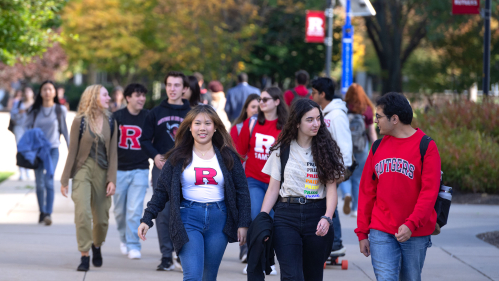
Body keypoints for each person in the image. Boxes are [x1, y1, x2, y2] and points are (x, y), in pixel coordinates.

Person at [138, 105, 251, 281]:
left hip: (219, 220)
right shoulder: (177, 157)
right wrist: (147, 218)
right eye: (197, 123)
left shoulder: (227, 155)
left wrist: (243, 223)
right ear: (190, 127)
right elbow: (161, 191)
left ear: (215, 127)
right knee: (192, 276)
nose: (202, 128)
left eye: (207, 123)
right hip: (188, 219)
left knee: (208, 277)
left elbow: (242, 191)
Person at [355, 92, 441, 281]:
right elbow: (366, 192)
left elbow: (429, 193)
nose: (375, 121)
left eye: (379, 117)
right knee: (385, 278)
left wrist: (411, 224)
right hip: (381, 228)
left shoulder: (426, 146)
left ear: (394, 119)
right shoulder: (377, 147)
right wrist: (362, 232)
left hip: (415, 231)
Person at [259, 98, 344, 280]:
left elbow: (331, 190)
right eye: (310, 120)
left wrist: (328, 217)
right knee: (292, 275)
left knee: (313, 275)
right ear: (297, 122)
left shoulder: (326, 150)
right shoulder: (281, 150)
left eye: (318, 119)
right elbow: (273, 189)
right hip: (286, 216)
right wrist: (263, 219)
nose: (316, 124)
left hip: (317, 216)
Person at [60, 84, 118, 272]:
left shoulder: (111, 121)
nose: (108, 98)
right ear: (93, 97)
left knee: (101, 219)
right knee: (83, 213)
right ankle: (84, 254)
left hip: (102, 172)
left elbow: (114, 153)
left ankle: (97, 244)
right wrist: (64, 179)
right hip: (82, 170)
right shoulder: (80, 121)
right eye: (105, 95)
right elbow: (72, 151)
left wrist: (112, 179)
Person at [140, 71, 192, 271]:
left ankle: (183, 254)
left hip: (187, 168)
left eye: (177, 85)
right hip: (162, 168)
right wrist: (155, 156)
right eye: (169, 84)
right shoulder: (155, 112)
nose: (172, 89)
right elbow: (144, 139)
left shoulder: (193, 113)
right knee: (162, 211)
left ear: (184, 89)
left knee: (185, 211)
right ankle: (166, 256)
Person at [236, 86, 288, 274]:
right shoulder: (251, 123)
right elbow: (240, 153)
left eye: (266, 99)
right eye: (260, 99)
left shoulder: (285, 127)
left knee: (272, 222)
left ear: (277, 101)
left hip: (276, 182)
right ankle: (254, 260)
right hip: (254, 179)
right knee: (257, 217)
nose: (261, 102)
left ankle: (269, 260)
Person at [311, 77, 353, 256]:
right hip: (325, 166)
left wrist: (339, 171)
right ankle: (331, 242)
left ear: (322, 94)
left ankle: (336, 244)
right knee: (327, 203)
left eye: (313, 92)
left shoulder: (336, 115)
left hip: (335, 168)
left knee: (330, 203)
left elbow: (345, 145)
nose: (311, 96)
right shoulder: (325, 113)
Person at [112, 83, 150, 259]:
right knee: (120, 212)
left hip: (140, 169)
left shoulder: (148, 117)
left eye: (143, 95)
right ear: (128, 97)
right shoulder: (116, 116)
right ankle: (124, 239)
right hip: (119, 170)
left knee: (134, 210)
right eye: (137, 95)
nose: (141, 98)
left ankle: (134, 245)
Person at [24, 81, 69, 226]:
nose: (48, 92)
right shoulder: (34, 110)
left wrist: (71, 150)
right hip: (37, 151)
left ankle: (48, 213)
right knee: (39, 183)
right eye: (45, 89)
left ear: (55, 92)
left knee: (49, 181)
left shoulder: (59, 110)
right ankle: (42, 211)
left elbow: (64, 130)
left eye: (50, 89)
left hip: (53, 150)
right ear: (41, 93)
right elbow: (26, 129)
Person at [342, 83, 378, 216]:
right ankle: (355, 209)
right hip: (361, 147)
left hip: (346, 147)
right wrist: (375, 149)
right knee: (357, 178)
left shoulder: (344, 107)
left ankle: (346, 193)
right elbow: (372, 132)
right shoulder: (367, 109)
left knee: (342, 174)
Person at [10, 88, 34, 181]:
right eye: (26, 91)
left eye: (29, 91)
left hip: (30, 129)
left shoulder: (35, 104)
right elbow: (12, 114)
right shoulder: (18, 103)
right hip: (19, 127)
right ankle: (21, 172)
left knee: (29, 149)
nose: (27, 93)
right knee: (20, 149)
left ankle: (28, 170)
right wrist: (19, 113)